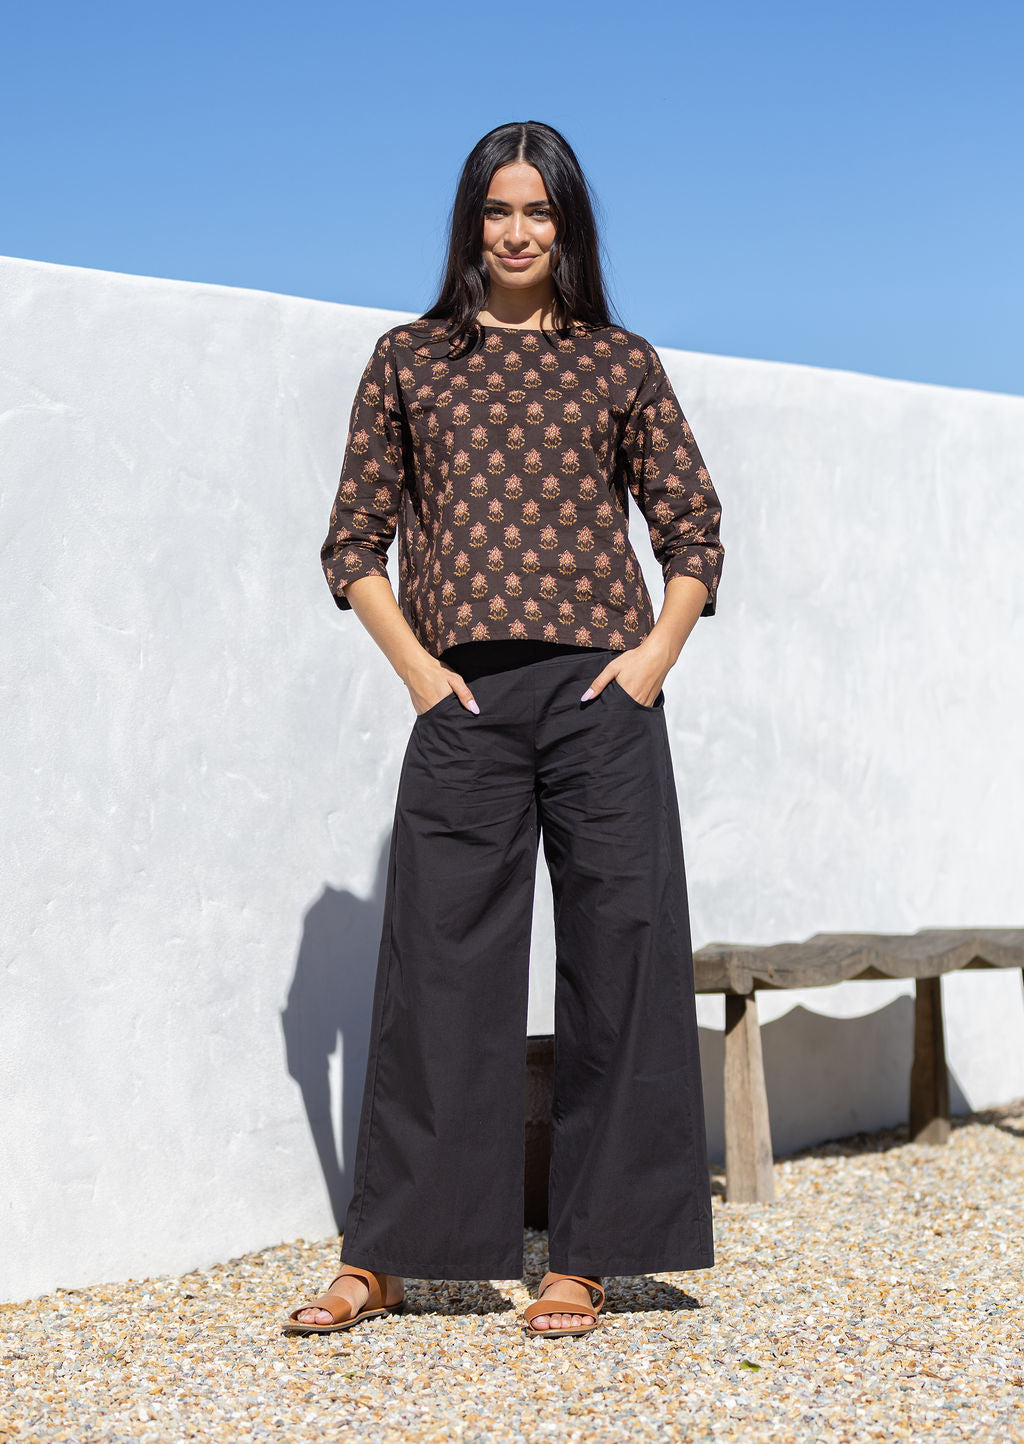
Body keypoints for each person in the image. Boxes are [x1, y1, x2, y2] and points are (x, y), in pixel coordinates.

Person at [283, 119, 724, 1340]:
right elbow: (351, 540)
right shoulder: (410, 358)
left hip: (600, 701)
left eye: (538, 211)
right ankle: (388, 1253)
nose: (517, 232)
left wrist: (647, 664)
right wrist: (421, 675)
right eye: (496, 210)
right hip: (463, 702)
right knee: (437, 975)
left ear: (567, 224)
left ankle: (587, 1254)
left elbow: (693, 528)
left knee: (619, 971)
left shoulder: (617, 362)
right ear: (469, 223)